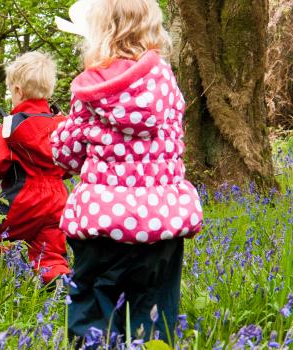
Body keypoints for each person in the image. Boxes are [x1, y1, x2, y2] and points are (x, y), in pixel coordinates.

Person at [52, 0, 203, 344]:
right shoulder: (165, 82)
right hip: (160, 222)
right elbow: (173, 142)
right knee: (154, 311)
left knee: (93, 306)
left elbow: (68, 156)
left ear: (98, 31)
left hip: (101, 221)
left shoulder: (90, 90)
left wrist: (61, 133)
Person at [0, 51, 71, 285]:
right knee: (50, 253)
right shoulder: (63, 126)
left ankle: (0, 287)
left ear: (18, 91)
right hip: (59, 198)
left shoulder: (8, 128)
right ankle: (58, 290)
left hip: (23, 197)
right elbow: (71, 164)